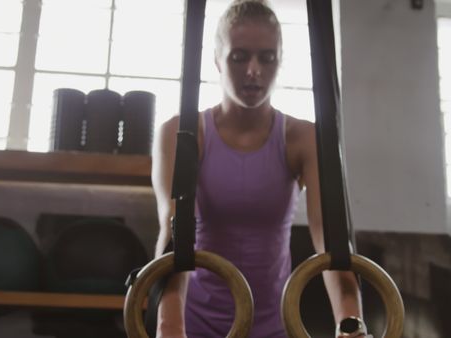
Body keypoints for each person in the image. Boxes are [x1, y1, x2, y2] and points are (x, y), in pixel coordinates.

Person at [151, 1, 364, 337]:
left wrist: (351, 323)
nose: (254, 70)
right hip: (193, 322)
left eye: (267, 58)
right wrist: (169, 326)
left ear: (280, 61)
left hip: (273, 323)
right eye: (239, 56)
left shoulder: (302, 138)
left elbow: (331, 241)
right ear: (217, 59)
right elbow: (173, 234)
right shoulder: (183, 133)